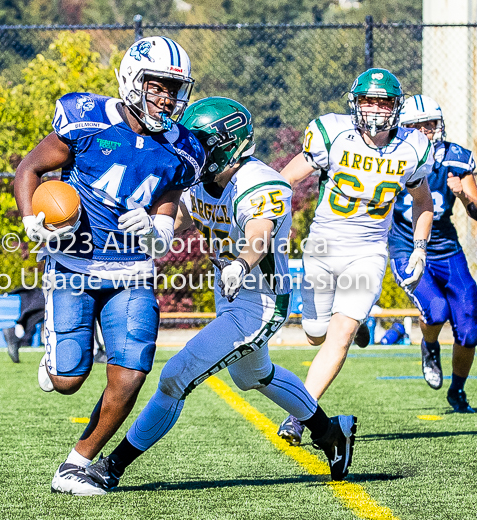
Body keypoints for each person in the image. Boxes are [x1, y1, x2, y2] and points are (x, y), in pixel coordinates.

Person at [67, 97, 357, 496]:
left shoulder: (260, 181)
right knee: (254, 376)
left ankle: (111, 468)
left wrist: (241, 262)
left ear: (227, 145)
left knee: (174, 377)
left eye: (201, 142)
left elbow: (259, 232)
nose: (191, 149)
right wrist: (152, 226)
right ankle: (332, 434)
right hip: (230, 293)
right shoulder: (200, 180)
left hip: (260, 300)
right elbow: (178, 218)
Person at [13, 36, 205, 494]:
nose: (166, 98)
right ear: (131, 79)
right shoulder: (87, 118)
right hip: (73, 262)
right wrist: (30, 221)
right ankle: (57, 357)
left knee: (133, 369)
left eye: (174, 89)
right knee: (66, 381)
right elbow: (28, 170)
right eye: (157, 86)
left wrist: (158, 232)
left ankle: (76, 463)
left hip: (131, 271)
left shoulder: (183, 148)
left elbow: (168, 208)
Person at [277, 68, 435, 445]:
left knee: (340, 336)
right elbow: (284, 179)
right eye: (369, 101)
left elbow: (422, 200)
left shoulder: (412, 147)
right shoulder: (333, 134)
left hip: (367, 251)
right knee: (316, 333)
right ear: (355, 103)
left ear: (397, 107)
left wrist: (419, 247)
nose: (377, 110)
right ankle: (353, 321)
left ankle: (299, 415)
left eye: (384, 102)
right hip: (323, 246)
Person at [389, 95, 477, 413]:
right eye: (418, 124)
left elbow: (476, 211)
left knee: (469, 328)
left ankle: (457, 391)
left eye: (430, 123)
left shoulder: (455, 158)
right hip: (406, 245)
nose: (426, 130)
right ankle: (429, 346)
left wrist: (463, 193)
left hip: (447, 250)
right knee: (436, 310)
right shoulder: (393, 156)